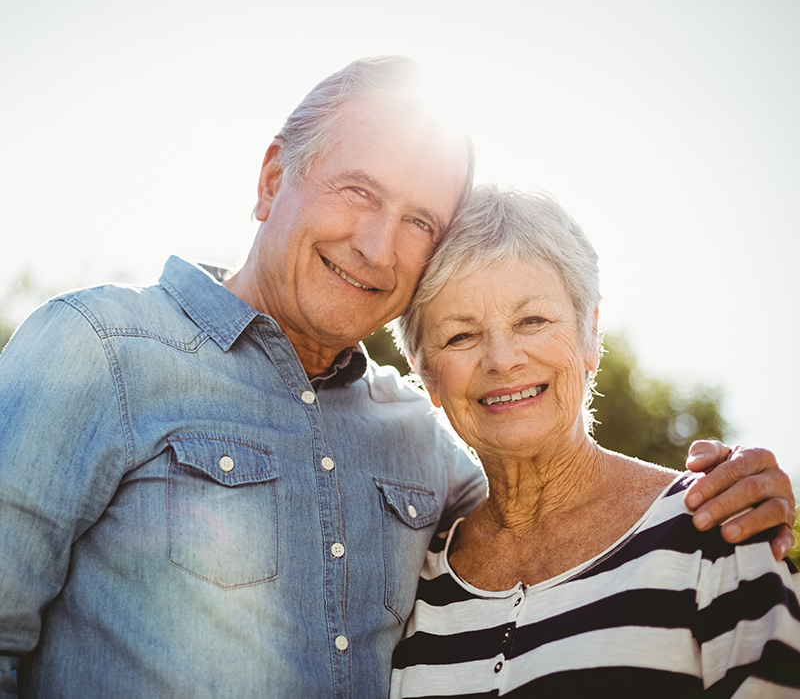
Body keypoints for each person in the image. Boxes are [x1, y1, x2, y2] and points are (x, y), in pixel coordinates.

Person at [0, 57, 794, 699]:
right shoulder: (98, 349)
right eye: (359, 192)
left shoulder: (421, 438)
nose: (379, 248)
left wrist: (739, 490)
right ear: (273, 178)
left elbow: (550, 507)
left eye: (420, 221)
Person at [389, 185, 800, 697]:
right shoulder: (414, 586)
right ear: (427, 376)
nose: (501, 359)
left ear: (590, 338)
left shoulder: (716, 528)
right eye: (460, 336)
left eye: (532, 320)